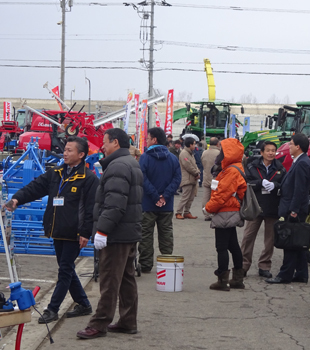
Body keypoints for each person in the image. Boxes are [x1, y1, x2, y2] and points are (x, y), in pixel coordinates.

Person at [5, 136, 98, 323]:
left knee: (64, 270)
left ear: (81, 155)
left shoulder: (88, 179)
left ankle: (52, 309)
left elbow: (91, 210)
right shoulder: (57, 173)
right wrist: (16, 199)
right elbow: (35, 187)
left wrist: (85, 233)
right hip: (57, 230)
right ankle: (84, 304)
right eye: (65, 149)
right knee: (67, 269)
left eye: (70, 150)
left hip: (74, 233)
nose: (65, 153)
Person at [77, 128, 143, 339]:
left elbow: (115, 203)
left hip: (116, 233)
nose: (102, 146)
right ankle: (127, 320)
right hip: (127, 231)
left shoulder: (117, 166)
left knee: (109, 280)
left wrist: (103, 230)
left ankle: (99, 323)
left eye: (104, 142)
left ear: (115, 143)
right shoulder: (130, 162)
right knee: (126, 278)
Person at [266, 133, 310, 284]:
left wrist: (293, 210)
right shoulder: (299, 161)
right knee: (297, 242)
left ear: (298, 147)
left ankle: (284, 275)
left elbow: (300, 190)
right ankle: (301, 274)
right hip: (292, 206)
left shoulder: (302, 163)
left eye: (291, 144)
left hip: (293, 209)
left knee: (290, 241)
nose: (289, 146)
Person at [204, 138, 247, 291]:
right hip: (232, 210)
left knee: (221, 246)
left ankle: (222, 280)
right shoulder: (235, 167)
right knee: (233, 245)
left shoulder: (230, 171)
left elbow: (221, 195)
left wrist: (207, 208)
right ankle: (237, 279)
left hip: (225, 211)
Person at [139, 127, 181, 273]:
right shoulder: (173, 158)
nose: (147, 141)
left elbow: (142, 179)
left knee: (145, 234)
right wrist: (165, 196)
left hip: (148, 204)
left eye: (148, 138)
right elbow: (177, 179)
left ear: (154, 140)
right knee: (166, 234)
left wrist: (155, 196)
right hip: (167, 204)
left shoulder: (145, 157)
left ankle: (145, 265)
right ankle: (167, 261)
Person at [240, 141, 286, 278]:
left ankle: (264, 266)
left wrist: (276, 185)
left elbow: (284, 185)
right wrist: (260, 183)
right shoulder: (252, 166)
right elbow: (246, 183)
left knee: (270, 239)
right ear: (262, 152)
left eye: (273, 150)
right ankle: (243, 265)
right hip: (255, 206)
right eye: (268, 150)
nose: (271, 153)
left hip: (272, 206)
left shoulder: (280, 168)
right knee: (248, 237)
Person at [176, 137, 200, 219]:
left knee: (191, 197)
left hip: (193, 178)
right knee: (185, 197)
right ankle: (178, 212)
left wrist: (197, 171)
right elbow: (188, 166)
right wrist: (196, 172)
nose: (195, 145)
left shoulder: (190, 153)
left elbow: (194, 164)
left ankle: (187, 212)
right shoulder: (184, 153)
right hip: (187, 178)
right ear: (190, 145)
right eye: (194, 144)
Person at [201, 137, 220, 221]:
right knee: (214, 197)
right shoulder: (219, 153)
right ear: (217, 144)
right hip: (215, 178)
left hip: (206, 176)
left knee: (206, 196)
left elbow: (202, 163)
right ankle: (213, 213)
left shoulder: (204, 152)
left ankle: (206, 214)